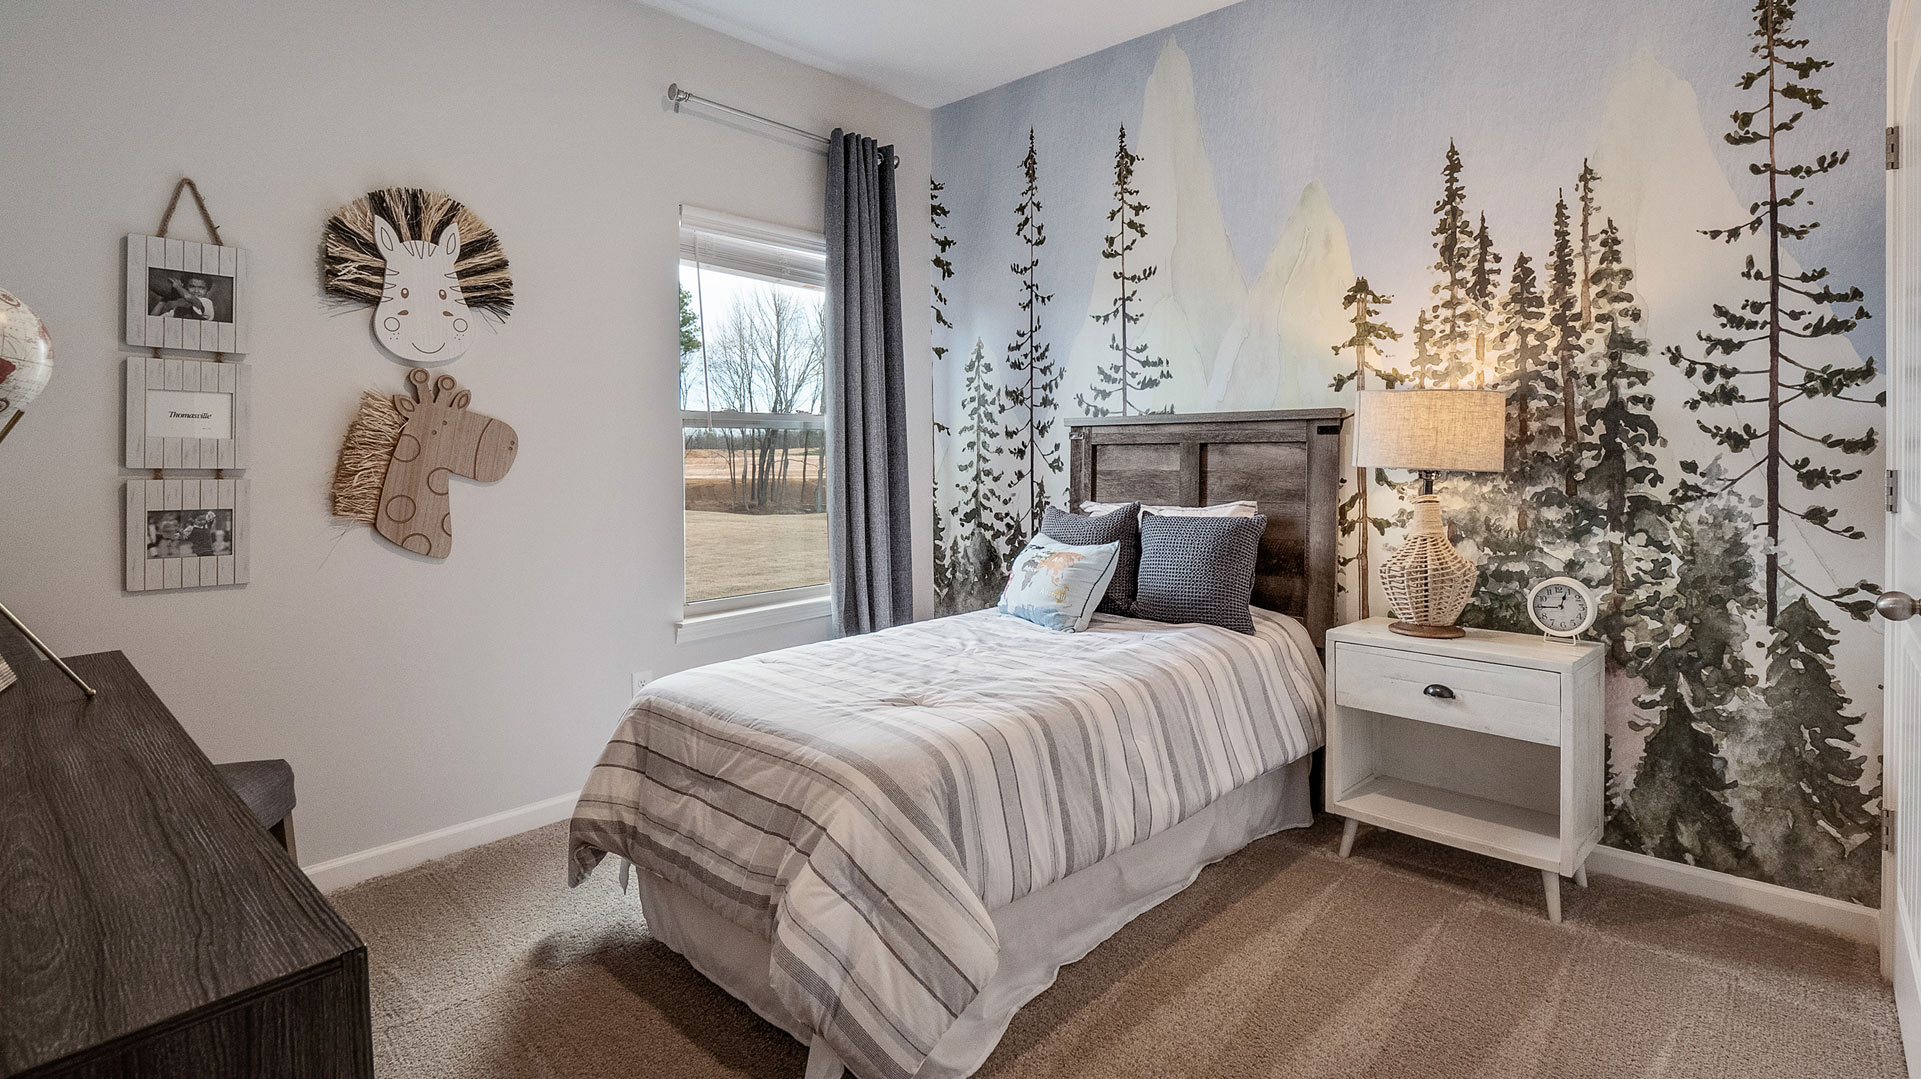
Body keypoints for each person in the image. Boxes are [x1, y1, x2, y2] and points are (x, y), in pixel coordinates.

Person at [150, 274, 215, 320]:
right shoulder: (178, 310)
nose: (196, 291)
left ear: (207, 291)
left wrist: (177, 287)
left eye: (201, 288)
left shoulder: (207, 303)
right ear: (186, 289)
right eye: (192, 286)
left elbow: (189, 297)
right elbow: (153, 318)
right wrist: (166, 297)